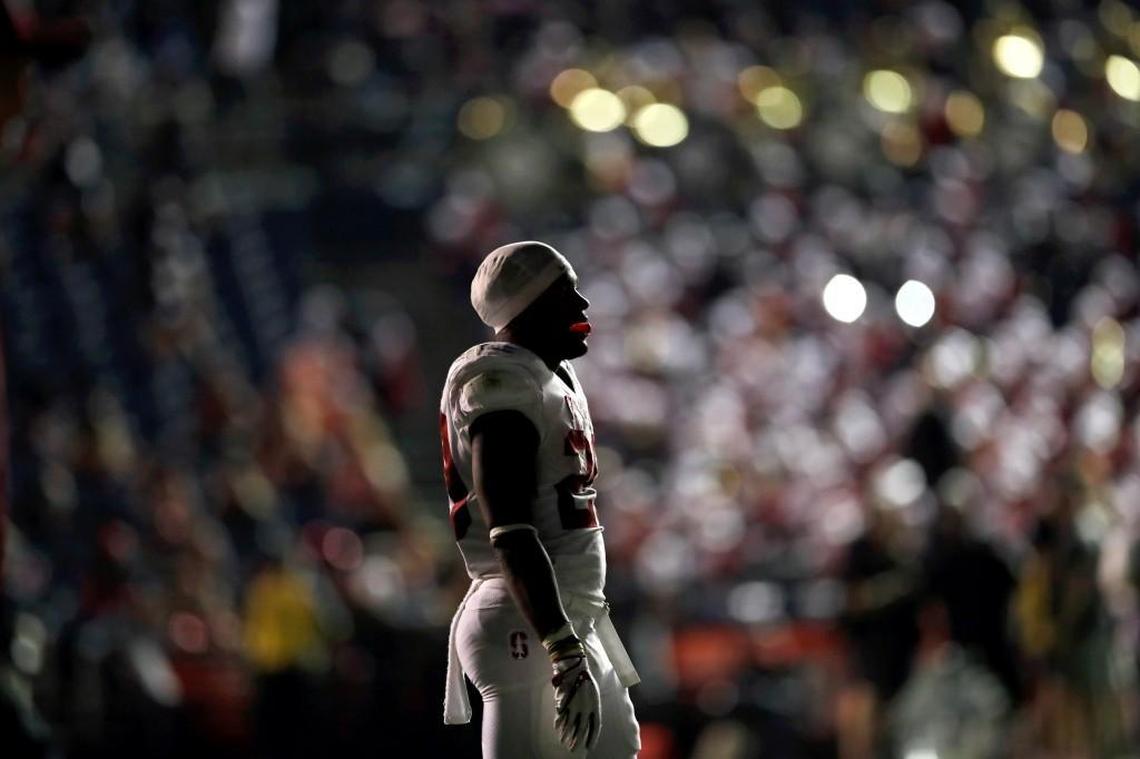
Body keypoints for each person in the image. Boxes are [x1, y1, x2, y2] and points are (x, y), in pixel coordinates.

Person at [439, 241, 640, 757]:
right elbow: (509, 530)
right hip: (526, 619)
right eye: (564, 293)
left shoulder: (547, 377)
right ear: (525, 307)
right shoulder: (500, 383)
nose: (583, 306)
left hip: (565, 614)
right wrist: (562, 648)